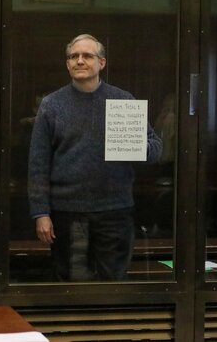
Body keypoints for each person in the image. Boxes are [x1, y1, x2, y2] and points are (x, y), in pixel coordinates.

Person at [28, 34, 162, 281]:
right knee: (69, 283)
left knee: (113, 282)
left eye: (87, 56)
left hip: (114, 211)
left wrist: (134, 146)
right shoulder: (52, 104)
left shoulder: (123, 100)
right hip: (67, 212)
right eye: (73, 56)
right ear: (67, 63)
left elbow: (155, 149)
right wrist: (40, 213)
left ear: (102, 63)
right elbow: (38, 163)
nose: (79, 61)